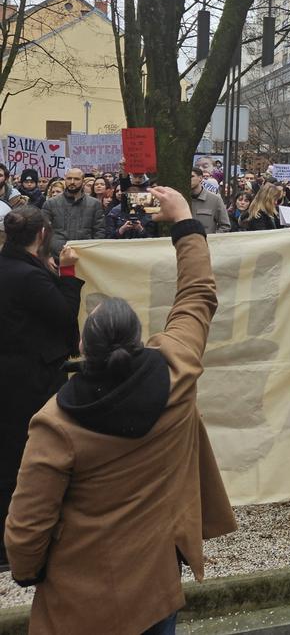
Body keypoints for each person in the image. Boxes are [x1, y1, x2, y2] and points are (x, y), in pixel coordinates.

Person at [4, 187, 236, 634]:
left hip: (78, 596)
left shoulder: (55, 425)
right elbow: (198, 294)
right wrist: (185, 221)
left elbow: (27, 526)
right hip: (156, 585)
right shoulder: (177, 372)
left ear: (81, 350)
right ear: (138, 340)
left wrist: (28, 571)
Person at [0, 207, 83, 570]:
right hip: (28, 377)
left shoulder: (12, 267)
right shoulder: (29, 277)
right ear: (42, 235)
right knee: (23, 454)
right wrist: (67, 274)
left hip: (11, 373)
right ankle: (16, 539)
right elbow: (63, 315)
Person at [41, 167, 105, 256]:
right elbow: (43, 233)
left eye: (76, 179)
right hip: (57, 255)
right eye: (69, 178)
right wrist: (47, 256)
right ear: (65, 179)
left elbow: (99, 232)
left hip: (85, 255)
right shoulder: (50, 204)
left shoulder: (94, 204)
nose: (72, 182)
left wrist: (94, 253)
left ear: (83, 181)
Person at [189, 167, 231, 234]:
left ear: (200, 178)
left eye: (191, 176)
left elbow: (225, 226)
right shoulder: (180, 199)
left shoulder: (215, 199)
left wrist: (212, 239)